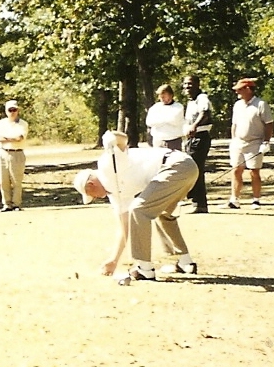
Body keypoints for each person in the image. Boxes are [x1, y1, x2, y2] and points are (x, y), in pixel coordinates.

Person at [73, 130, 199, 282]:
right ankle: (186, 262)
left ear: (91, 185)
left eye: (91, 194)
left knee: (139, 209)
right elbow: (125, 227)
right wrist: (114, 260)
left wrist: (111, 137)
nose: (94, 198)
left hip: (177, 164)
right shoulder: (114, 194)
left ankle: (144, 269)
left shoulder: (107, 164)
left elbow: (123, 140)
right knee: (163, 214)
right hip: (185, 168)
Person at [229, 77, 274, 210]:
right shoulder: (237, 105)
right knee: (236, 170)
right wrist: (233, 140)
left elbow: (269, 124)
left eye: (240, 89)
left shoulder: (261, 104)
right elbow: (234, 124)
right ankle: (234, 199)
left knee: (254, 171)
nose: (237, 92)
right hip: (238, 142)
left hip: (255, 142)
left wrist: (266, 142)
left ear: (248, 89)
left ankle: (256, 200)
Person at [181, 75, 213, 214]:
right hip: (191, 139)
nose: (187, 87)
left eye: (190, 84)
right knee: (192, 169)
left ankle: (200, 203)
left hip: (200, 137)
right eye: (185, 84)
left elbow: (205, 113)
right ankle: (196, 200)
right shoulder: (191, 102)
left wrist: (195, 125)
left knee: (195, 169)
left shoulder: (202, 98)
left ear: (197, 84)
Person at [0, 100, 28, 211]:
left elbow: (19, 138)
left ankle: (16, 204)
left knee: (16, 181)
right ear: (6, 111)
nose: (12, 112)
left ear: (18, 110)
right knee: (3, 180)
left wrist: (6, 138)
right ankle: (7, 204)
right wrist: (11, 138)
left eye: (14, 110)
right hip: (3, 153)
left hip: (17, 153)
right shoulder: (1, 123)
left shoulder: (22, 124)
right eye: (10, 110)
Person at [145, 84, 185, 151]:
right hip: (158, 141)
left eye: (164, 96)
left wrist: (159, 118)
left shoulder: (178, 107)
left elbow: (174, 120)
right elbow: (149, 122)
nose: (162, 98)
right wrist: (166, 119)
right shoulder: (155, 107)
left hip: (174, 141)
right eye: (161, 96)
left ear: (171, 95)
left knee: (175, 161)